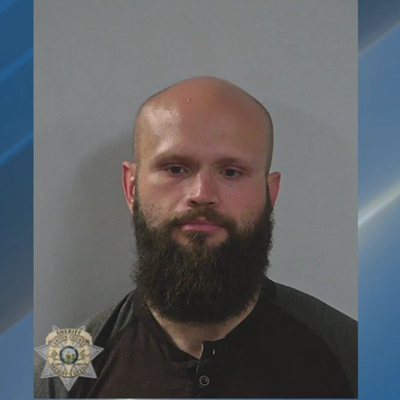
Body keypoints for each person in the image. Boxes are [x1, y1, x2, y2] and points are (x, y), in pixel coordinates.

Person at [34, 76, 357, 398]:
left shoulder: (352, 356)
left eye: (230, 172)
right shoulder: (63, 371)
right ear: (131, 187)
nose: (202, 194)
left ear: (270, 193)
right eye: (175, 169)